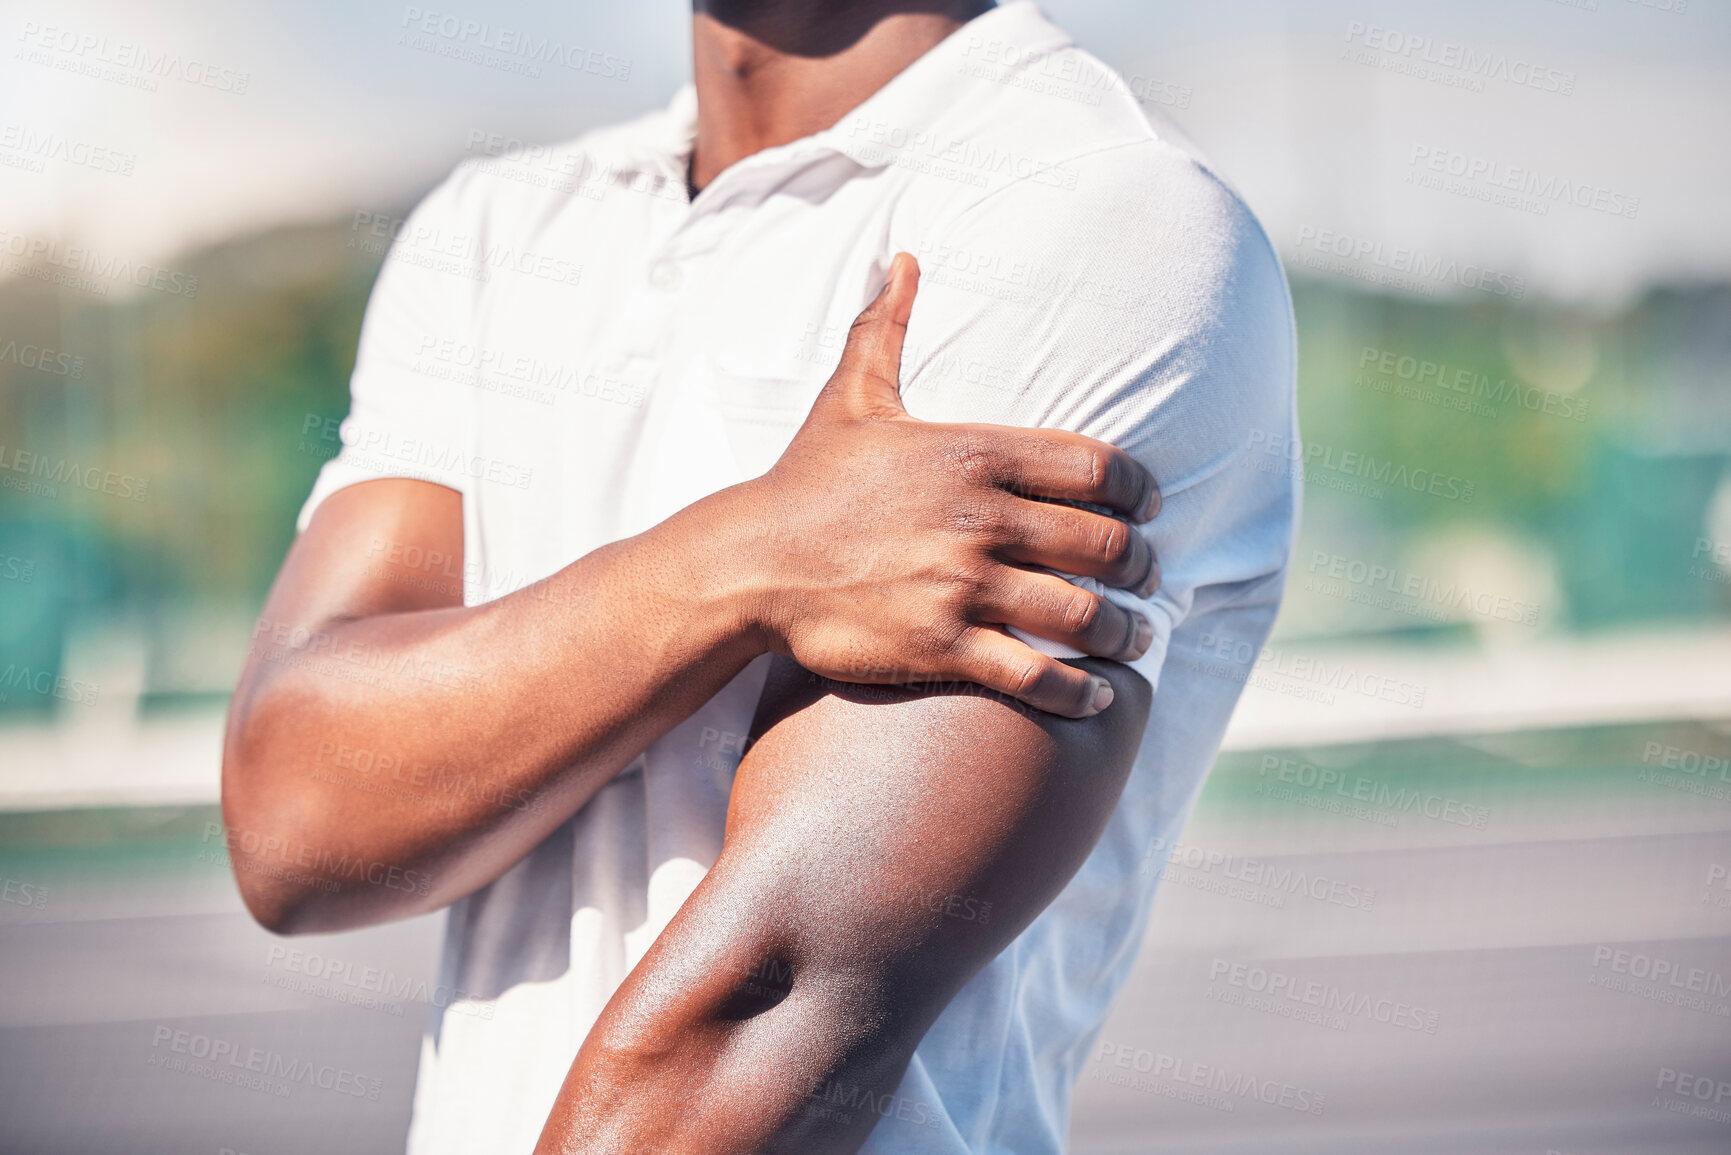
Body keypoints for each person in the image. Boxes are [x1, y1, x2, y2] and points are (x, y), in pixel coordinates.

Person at [220, 1, 1297, 1151]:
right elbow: (295, 824)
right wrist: (745, 558)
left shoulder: (1095, 214)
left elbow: (758, 1014)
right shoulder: (495, 228)